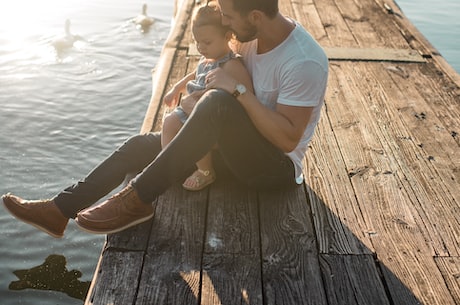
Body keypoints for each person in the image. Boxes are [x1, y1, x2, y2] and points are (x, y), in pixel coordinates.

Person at [2, 0, 328, 238]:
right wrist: (188, 81)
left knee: (216, 103)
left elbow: (288, 139)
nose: (225, 24)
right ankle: (59, 210)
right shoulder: (250, 38)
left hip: (273, 168)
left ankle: (137, 199)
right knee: (138, 146)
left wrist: (239, 91)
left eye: (228, 17)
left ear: (255, 16)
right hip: (232, 149)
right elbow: (218, 67)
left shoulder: (303, 60)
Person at [161, 2, 253, 191]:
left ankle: (206, 171)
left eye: (207, 42)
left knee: (196, 132)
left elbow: (246, 93)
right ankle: (167, 164)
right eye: (197, 42)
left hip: (211, 118)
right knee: (169, 122)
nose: (201, 47)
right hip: (192, 107)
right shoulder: (207, 59)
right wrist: (176, 89)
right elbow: (195, 74)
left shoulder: (231, 65)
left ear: (227, 36)